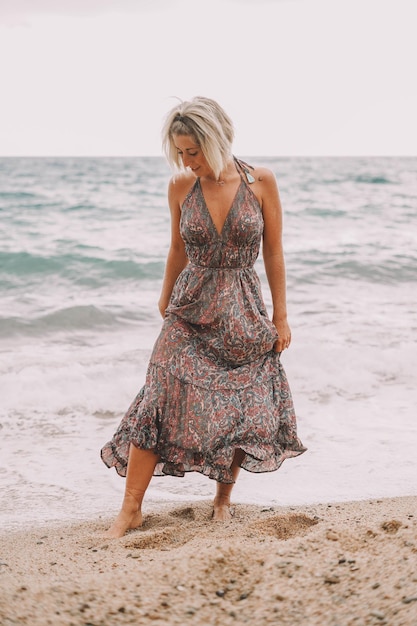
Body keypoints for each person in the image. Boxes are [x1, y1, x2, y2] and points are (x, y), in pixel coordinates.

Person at [101, 96, 306, 538]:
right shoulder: (179, 187)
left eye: (192, 151)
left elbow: (273, 251)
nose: (185, 160)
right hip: (190, 305)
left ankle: (222, 499)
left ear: (215, 142)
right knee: (158, 394)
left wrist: (281, 316)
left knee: (242, 404)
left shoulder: (261, 182)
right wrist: (164, 298)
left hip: (243, 306)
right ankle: (130, 509)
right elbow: (177, 248)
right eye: (180, 152)